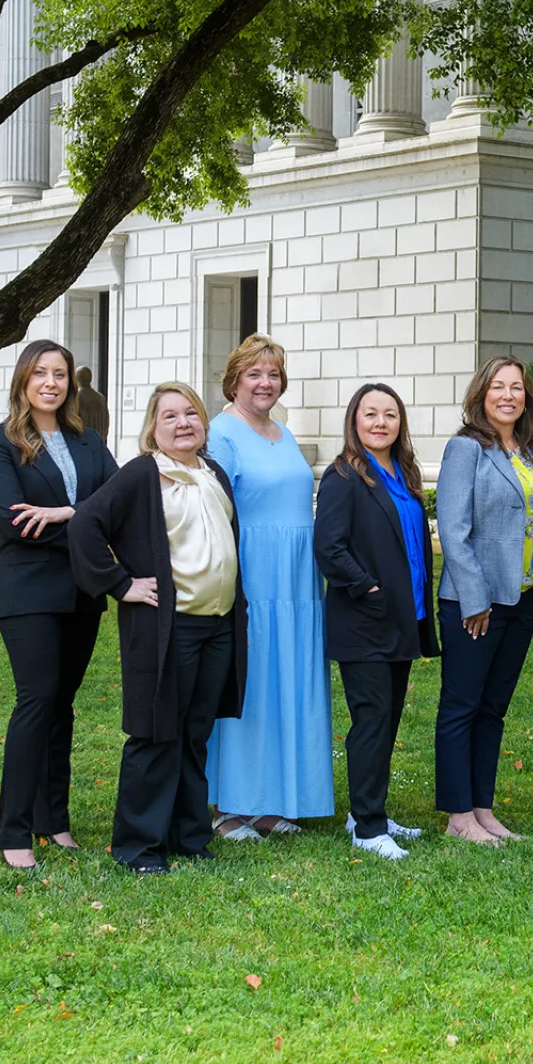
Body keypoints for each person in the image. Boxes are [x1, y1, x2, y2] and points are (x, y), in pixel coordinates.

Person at [67, 381, 249, 873]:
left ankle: (188, 838)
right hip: (168, 627)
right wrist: (119, 584)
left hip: (217, 627)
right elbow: (86, 523)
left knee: (193, 735)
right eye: (169, 416)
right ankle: (138, 847)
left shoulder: (212, 474)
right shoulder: (143, 475)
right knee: (154, 732)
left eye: (190, 413)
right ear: (152, 428)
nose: (182, 423)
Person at [0, 339, 119, 870]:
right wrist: (84, 520)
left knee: (63, 706)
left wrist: (62, 514)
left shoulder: (89, 441)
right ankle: (13, 831)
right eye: (41, 374)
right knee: (37, 700)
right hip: (28, 590)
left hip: (83, 590)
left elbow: (119, 502)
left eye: (60, 374)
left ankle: (52, 821)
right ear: (23, 381)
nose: (51, 383)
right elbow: (14, 522)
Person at [205, 335, 333, 841]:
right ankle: (232, 806)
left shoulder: (282, 430)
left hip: (299, 577)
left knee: (290, 679)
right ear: (235, 379)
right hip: (255, 572)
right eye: (255, 374)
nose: (265, 383)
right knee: (253, 682)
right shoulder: (222, 433)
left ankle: (272, 798)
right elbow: (217, 508)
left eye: (273, 374)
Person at [434, 355, 533, 845]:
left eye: (517, 387)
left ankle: (482, 809)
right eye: (498, 387)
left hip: (521, 597)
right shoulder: (466, 449)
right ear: (481, 394)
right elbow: (454, 530)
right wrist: (475, 599)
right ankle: (457, 815)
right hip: (475, 603)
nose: (508, 395)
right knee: (461, 705)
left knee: (493, 708)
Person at [313, 383, 439, 860]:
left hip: (404, 616)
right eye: (371, 414)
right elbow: (329, 547)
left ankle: (371, 811)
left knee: (386, 720)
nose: (381, 422)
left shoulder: (403, 473)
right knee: (370, 719)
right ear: (355, 420)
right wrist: (367, 586)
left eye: (390, 414)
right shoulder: (344, 476)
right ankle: (367, 829)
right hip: (364, 619)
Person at [75, 365, 111, 439]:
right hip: (99, 440)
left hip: (82, 441)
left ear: (77, 378)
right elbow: (106, 422)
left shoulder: (76, 397)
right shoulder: (100, 397)